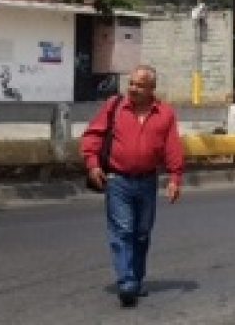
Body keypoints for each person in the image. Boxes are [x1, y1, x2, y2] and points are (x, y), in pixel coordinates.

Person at [81, 65, 184, 308]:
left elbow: (172, 147)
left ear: (152, 89)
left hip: (147, 182)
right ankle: (126, 282)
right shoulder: (114, 107)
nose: (133, 89)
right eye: (131, 84)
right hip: (118, 180)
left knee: (142, 232)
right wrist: (93, 164)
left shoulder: (165, 114)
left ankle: (136, 280)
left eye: (140, 85)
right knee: (123, 230)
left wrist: (175, 178)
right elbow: (93, 136)